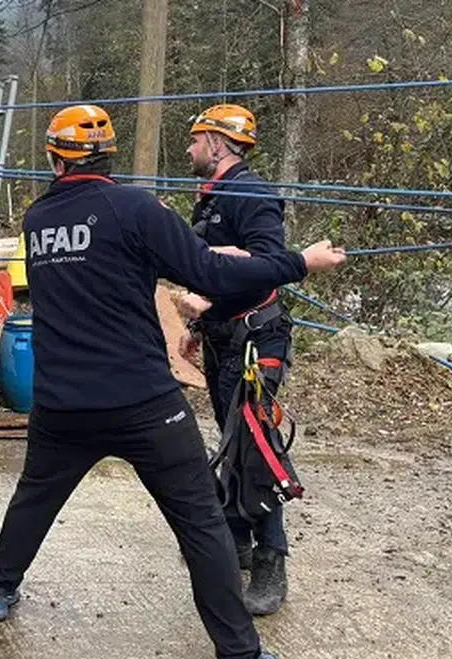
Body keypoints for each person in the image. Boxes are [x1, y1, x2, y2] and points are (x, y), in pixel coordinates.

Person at [0, 104, 347, 659]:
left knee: (36, 497)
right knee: (200, 522)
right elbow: (210, 275)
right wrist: (299, 262)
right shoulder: (135, 209)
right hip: (142, 401)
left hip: (62, 401)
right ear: (109, 156)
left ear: (55, 157)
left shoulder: (36, 219)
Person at [175, 104, 294, 616]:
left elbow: (270, 263)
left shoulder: (253, 194)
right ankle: (237, 542)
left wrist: (208, 296)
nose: (189, 149)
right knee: (229, 440)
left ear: (219, 144)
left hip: (256, 341)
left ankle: (272, 562)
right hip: (225, 338)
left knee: (254, 448)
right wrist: (204, 323)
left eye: (196, 140)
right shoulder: (210, 200)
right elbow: (214, 270)